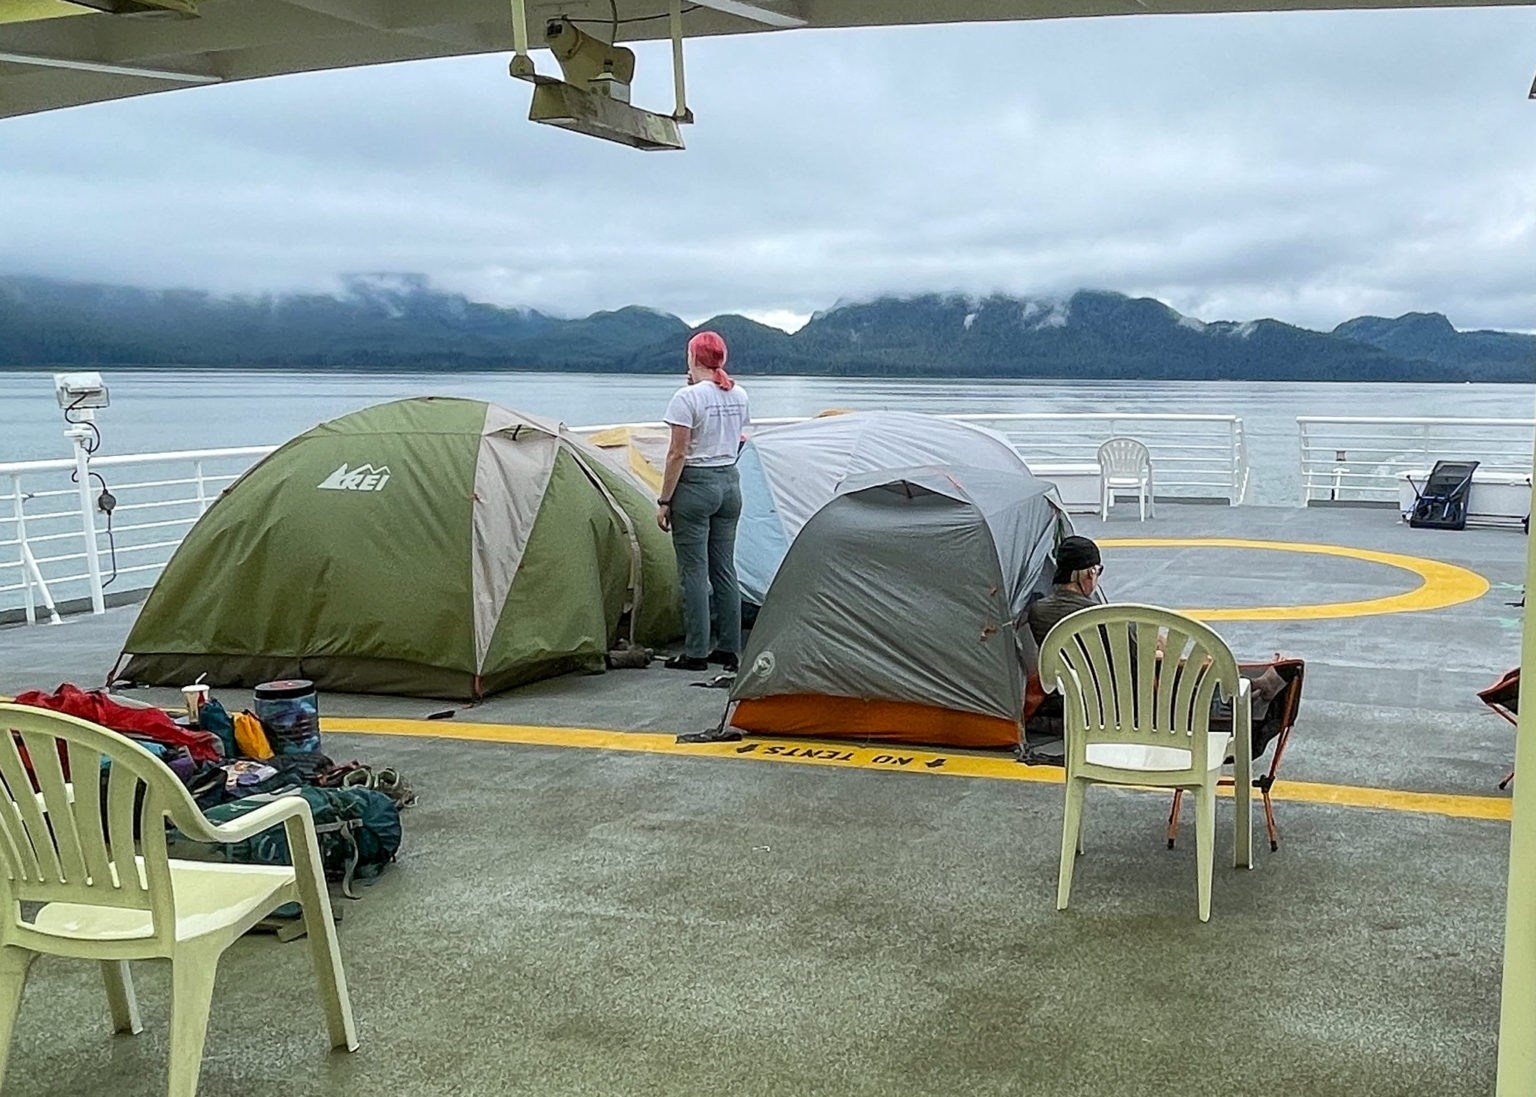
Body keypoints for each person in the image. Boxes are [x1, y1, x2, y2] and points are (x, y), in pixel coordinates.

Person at [656, 330, 751, 672]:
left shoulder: (686, 398)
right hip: (729, 483)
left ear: (693, 358)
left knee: (694, 572)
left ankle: (696, 651)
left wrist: (665, 499)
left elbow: (677, 453)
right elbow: (740, 438)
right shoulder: (738, 394)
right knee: (724, 568)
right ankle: (728, 648)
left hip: (696, 485)